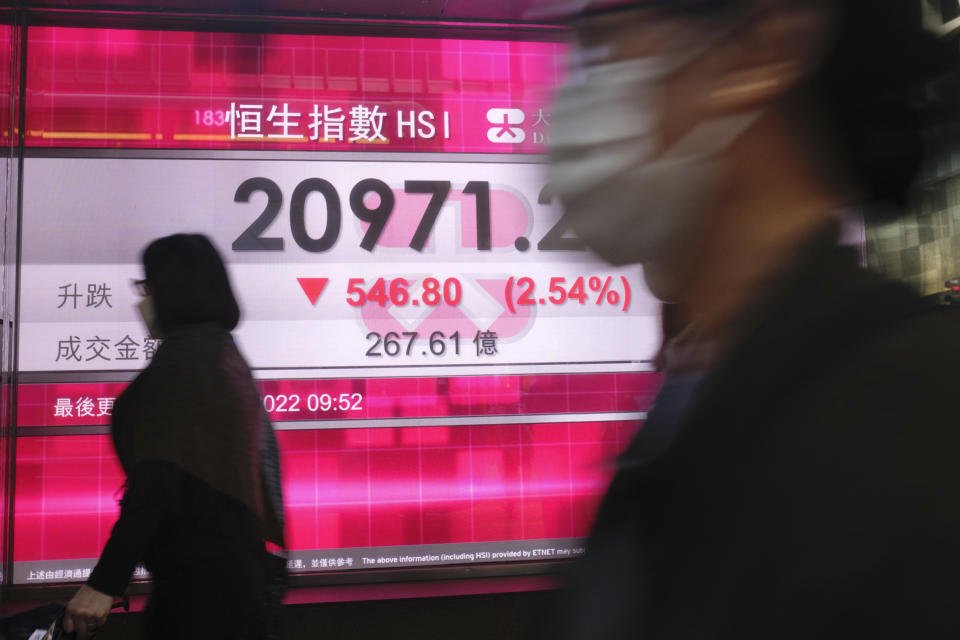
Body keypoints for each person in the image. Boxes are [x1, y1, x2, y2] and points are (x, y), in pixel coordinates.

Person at [545, 0, 960, 637]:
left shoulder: (912, 410)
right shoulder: (694, 408)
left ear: (760, 52)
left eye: (607, 33)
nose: (573, 88)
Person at [64, 234, 286, 639]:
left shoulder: (185, 365)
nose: (141, 301)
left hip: (201, 592)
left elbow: (156, 481)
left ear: (169, 290)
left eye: (146, 288)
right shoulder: (221, 354)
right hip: (233, 582)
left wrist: (104, 583)